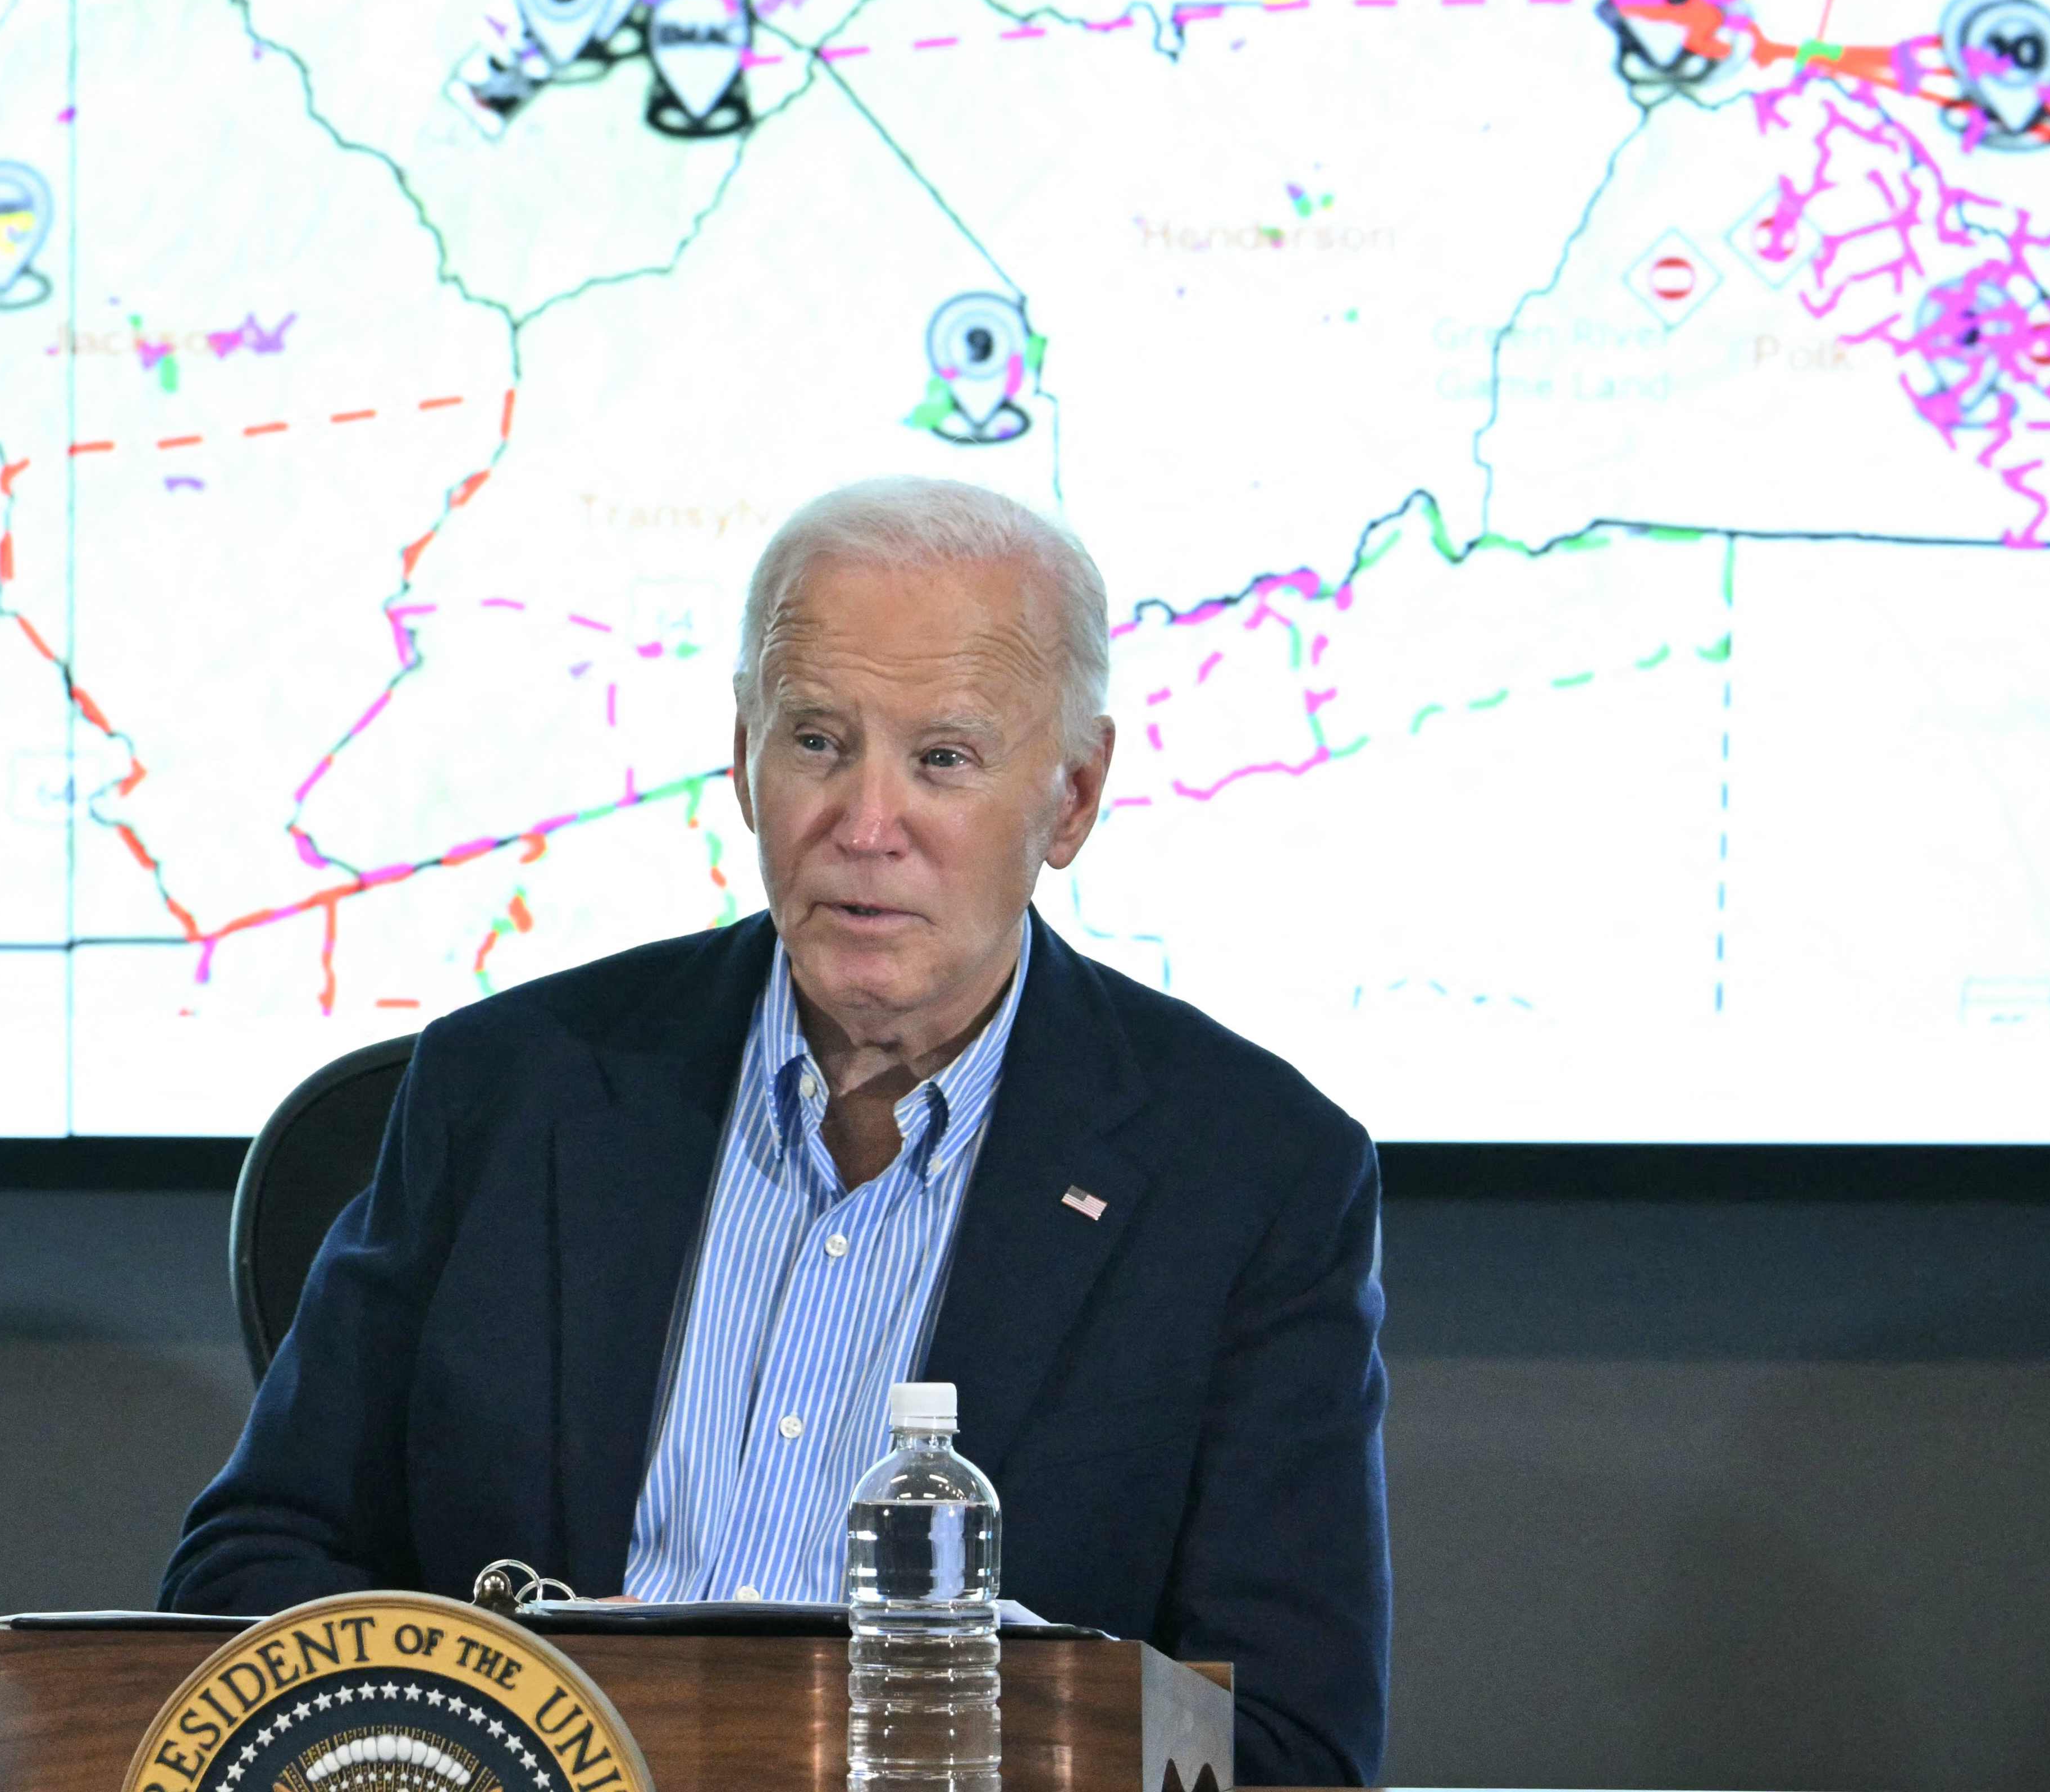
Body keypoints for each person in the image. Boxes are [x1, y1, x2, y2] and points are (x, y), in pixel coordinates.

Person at [162, 478, 1389, 1785]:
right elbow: (251, 1566)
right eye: (816, 739)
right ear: (742, 756)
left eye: (942, 758)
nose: (865, 825)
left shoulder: (1249, 1175)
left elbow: (1287, 1744)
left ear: (1073, 795)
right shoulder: (513, 1089)